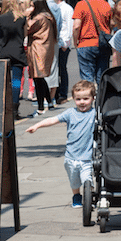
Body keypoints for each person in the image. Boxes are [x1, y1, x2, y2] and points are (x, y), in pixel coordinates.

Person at [26, 80, 96, 208]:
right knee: (74, 182)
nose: (82, 102)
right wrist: (37, 125)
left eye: (86, 98)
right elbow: (53, 120)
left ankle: (90, 198)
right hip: (71, 157)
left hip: (87, 157)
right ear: (73, 99)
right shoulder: (70, 113)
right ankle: (76, 196)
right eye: (78, 99)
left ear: (93, 98)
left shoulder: (94, 114)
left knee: (88, 180)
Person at [22, 0, 59, 115]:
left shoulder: (38, 18)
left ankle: (41, 107)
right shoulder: (49, 17)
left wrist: (26, 16)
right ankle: (49, 102)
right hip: (46, 48)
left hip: (38, 49)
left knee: (38, 78)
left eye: (32, 6)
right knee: (40, 78)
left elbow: (27, 29)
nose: (31, 8)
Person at [72, 0, 113, 85]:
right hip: (102, 44)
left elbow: (76, 26)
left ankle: (87, 100)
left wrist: (75, 42)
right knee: (102, 77)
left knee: (87, 78)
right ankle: (101, 100)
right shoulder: (106, 5)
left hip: (85, 43)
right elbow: (112, 23)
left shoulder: (80, 5)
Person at [0, 0, 29, 120]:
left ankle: (3, 108)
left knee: (3, 82)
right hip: (17, 52)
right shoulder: (22, 18)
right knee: (16, 81)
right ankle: (15, 109)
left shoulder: (0, 18)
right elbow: (25, 34)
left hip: (3, 52)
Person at [51, 0, 75, 104]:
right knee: (55, 69)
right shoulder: (55, 8)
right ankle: (55, 94)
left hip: (63, 43)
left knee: (62, 69)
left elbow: (69, 26)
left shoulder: (67, 8)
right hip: (56, 42)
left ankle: (63, 93)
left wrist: (66, 42)